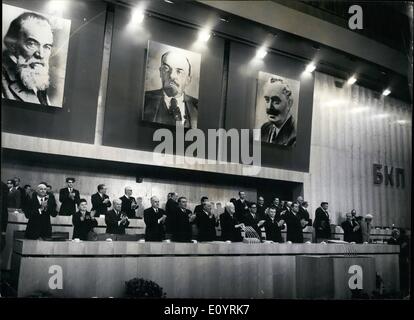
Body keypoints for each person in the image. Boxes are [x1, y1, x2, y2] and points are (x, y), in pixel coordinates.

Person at [2, 12, 54, 105]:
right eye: (32, 44)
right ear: (13, 46)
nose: (41, 55)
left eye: (47, 46)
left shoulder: (36, 80)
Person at [143, 51, 198, 128]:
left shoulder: (197, 107)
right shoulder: (144, 100)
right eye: (166, 69)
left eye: (179, 71)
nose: (172, 76)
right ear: (161, 72)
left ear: (188, 80)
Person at [260, 77, 296, 146]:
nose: (269, 107)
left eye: (276, 101)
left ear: (289, 103)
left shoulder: (294, 136)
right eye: (267, 100)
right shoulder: (264, 128)